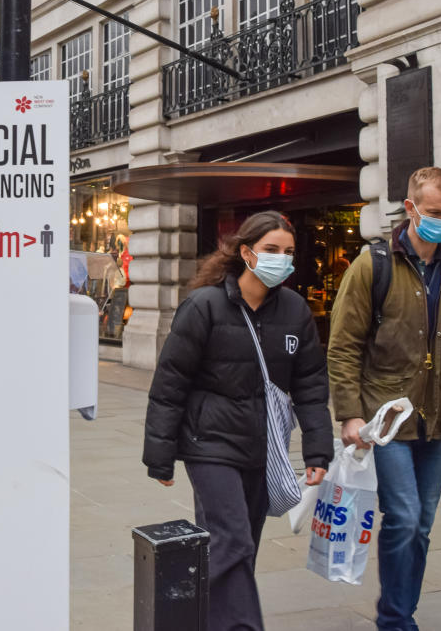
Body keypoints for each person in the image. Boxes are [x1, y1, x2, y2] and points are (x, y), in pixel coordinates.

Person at [327, 167, 441, 631]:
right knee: (403, 517)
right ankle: (396, 619)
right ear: (410, 208)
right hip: (386, 418)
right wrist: (348, 413)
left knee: (421, 524)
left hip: (438, 416)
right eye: (433, 212)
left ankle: (401, 608)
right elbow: (343, 344)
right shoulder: (374, 265)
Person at [142, 211, 332, 631]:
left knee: (239, 547)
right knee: (232, 540)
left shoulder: (295, 310)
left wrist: (318, 448)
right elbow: (170, 381)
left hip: (263, 448)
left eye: (288, 253)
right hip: (209, 444)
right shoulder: (204, 306)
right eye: (270, 251)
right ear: (247, 253)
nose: (281, 260)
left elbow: (311, 385)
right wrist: (161, 454)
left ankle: (209, 620)